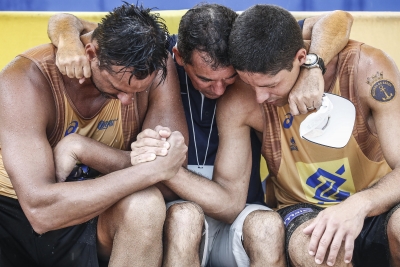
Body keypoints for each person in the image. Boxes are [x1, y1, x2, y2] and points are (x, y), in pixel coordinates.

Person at [48, 4, 354, 267]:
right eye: (205, 78)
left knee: (266, 227)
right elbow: (75, 23)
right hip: (172, 209)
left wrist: (314, 66)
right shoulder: (155, 55)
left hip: (234, 207)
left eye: (230, 77)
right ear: (179, 56)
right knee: (185, 219)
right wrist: (67, 42)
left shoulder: (249, 47)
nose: (218, 90)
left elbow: (337, 18)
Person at [0, 3, 188, 267]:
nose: (125, 100)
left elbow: (172, 182)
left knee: (145, 205)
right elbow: (41, 211)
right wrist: (149, 170)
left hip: (90, 211)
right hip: (11, 212)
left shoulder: (155, 68)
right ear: (91, 53)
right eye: (115, 88)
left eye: (135, 92)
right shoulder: (25, 79)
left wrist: (85, 148)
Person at [222, 4, 400, 267]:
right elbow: (230, 197)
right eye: (250, 84)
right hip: (303, 210)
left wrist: (359, 205)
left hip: (375, 204)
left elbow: (339, 17)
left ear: (300, 57)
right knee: (317, 249)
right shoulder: (241, 98)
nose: (259, 97)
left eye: (270, 85)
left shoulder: (367, 69)